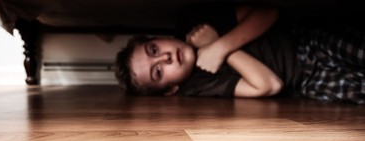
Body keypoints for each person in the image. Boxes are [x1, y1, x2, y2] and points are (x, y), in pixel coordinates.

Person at [115, 2, 365, 104]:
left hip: (307, 41)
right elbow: (269, 85)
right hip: (306, 83)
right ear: (170, 90)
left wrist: (219, 44)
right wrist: (216, 50)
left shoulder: (192, 20)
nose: (165, 58)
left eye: (154, 49)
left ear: (159, 39)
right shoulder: (197, 86)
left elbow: (267, 12)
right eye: (158, 71)